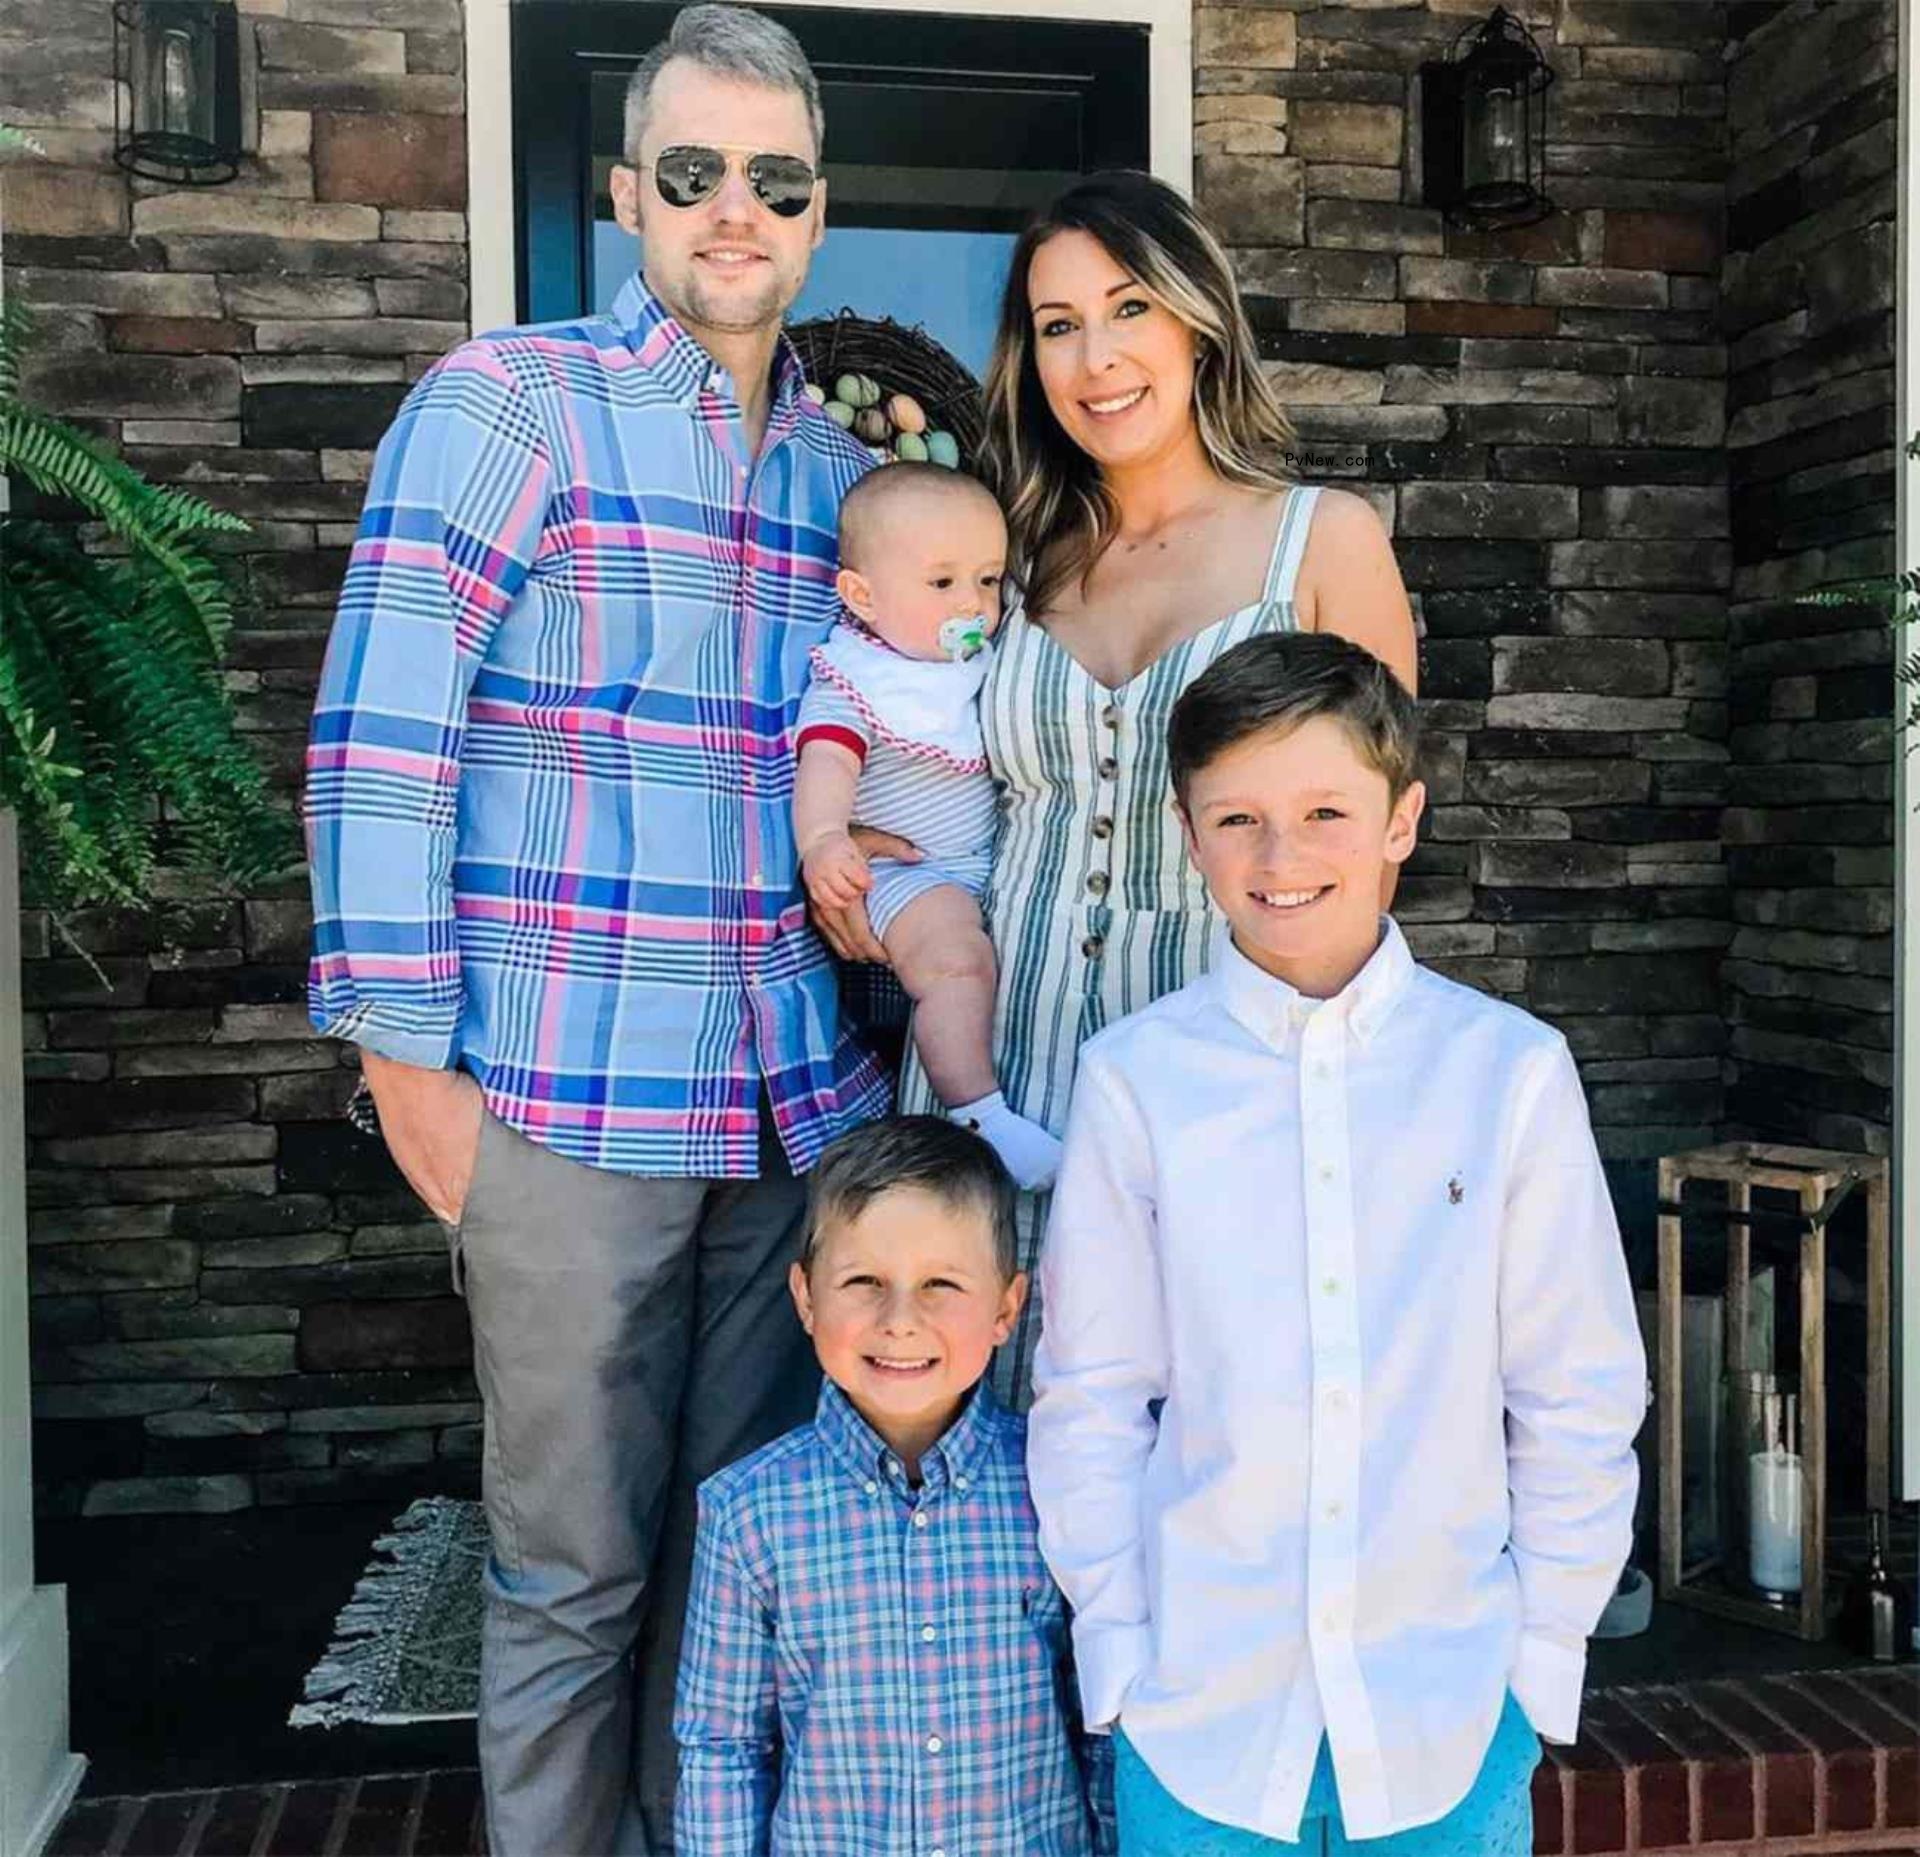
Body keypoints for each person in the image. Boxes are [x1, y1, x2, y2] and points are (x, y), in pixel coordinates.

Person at [303, 9, 888, 1851]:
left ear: (817, 209)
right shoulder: (508, 402)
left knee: (728, 1585)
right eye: (695, 172)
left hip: (787, 1112)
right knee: (567, 1582)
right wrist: (408, 1066)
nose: (735, 210)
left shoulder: (837, 480)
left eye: (773, 180)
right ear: (629, 191)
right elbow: (383, 736)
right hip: (561, 1100)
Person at [1027, 632, 1647, 1855]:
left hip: (1448, 1718)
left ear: (1401, 819)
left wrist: (1542, 1652)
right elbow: (1094, 1393)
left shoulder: (1508, 1073)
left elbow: (1576, 1385)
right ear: (1188, 831)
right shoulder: (1136, 1083)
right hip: (1200, 1721)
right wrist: (1120, 1649)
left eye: (1324, 811)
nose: (1282, 855)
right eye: (1238, 818)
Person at [816, 170, 1421, 1401]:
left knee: (1202, 1426)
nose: (1096, 357)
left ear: (1199, 318)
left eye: (1130, 308)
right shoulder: (1009, 558)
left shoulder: (1324, 541)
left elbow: (1369, 848)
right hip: (998, 1061)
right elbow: (910, 732)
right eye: (1057, 325)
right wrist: (871, 856)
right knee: (974, 1416)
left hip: (1217, 1062)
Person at [673, 1116, 1095, 1855]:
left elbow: (1102, 1722)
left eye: (941, 1283)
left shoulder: (1060, 1484)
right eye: (864, 1281)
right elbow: (723, 1747)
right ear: (805, 1297)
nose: (900, 1320)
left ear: (1007, 1306)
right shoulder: (746, 1514)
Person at [795, 465, 1061, 1189]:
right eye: (942, 584)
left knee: (994, 967)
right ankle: (978, 1113)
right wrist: (824, 840)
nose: (972, 604)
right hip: (900, 872)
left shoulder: (971, 666)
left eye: (986, 580)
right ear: (862, 595)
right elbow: (826, 763)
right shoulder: (858, 679)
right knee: (955, 965)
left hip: (976, 864)